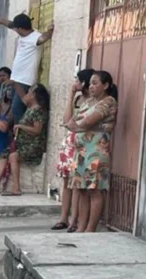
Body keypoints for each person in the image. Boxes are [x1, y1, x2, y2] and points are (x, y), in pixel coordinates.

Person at [66, 70, 117, 233]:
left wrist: (79, 125)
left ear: (106, 85)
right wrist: (71, 96)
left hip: (95, 151)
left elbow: (88, 121)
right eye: (90, 83)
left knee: (94, 190)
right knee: (82, 190)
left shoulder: (108, 101)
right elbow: (68, 121)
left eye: (95, 83)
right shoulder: (87, 102)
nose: (91, 86)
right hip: (81, 152)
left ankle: (90, 229)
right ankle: (81, 227)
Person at [0, 84, 49, 196]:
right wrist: (15, 84)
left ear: (33, 95)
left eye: (29, 92)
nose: (26, 95)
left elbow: (37, 130)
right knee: (5, 153)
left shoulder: (38, 110)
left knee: (13, 156)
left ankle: (16, 187)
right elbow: (23, 98)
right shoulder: (30, 108)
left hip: (33, 145)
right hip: (23, 143)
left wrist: (21, 127)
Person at [51, 69, 93, 232]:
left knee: (77, 184)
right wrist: (70, 95)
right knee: (66, 182)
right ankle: (64, 218)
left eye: (77, 80)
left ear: (84, 83)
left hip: (81, 144)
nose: (74, 83)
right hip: (69, 142)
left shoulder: (93, 102)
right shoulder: (78, 99)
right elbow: (66, 119)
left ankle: (75, 219)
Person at [0, 13, 53, 124]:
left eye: (16, 28)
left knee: (17, 108)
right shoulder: (23, 34)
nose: (14, 30)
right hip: (15, 79)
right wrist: (0, 19)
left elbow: (43, 38)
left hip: (24, 81)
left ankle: (21, 133)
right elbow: (10, 24)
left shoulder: (34, 38)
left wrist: (49, 31)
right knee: (12, 107)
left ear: (20, 28)